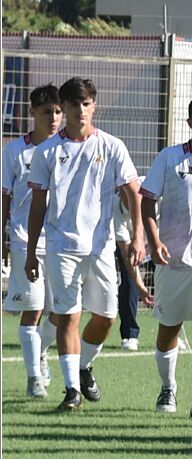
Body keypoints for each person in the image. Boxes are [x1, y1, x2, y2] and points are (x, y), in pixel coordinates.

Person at [23, 77, 143, 411]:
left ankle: (84, 366)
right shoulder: (47, 151)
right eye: (74, 104)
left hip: (101, 247)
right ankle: (72, 390)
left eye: (86, 103)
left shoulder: (112, 146)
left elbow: (133, 192)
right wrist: (31, 252)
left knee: (106, 317)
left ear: (94, 106)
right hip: (61, 247)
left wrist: (138, 236)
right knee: (68, 317)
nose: (80, 110)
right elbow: (37, 205)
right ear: (64, 107)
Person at [140, 94, 192, 417]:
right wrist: (154, 240)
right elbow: (148, 201)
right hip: (174, 259)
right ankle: (168, 387)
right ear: (190, 122)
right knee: (168, 330)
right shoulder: (170, 157)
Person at [4, 84, 63, 397]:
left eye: (58, 111)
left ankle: (41, 352)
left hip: (61, 243)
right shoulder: (14, 151)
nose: (53, 118)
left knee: (60, 312)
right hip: (24, 240)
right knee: (33, 309)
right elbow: (5, 196)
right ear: (33, 113)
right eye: (46, 112)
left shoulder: (66, 149)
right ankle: (33, 379)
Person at [112, 194, 149, 351]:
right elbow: (127, 254)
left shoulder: (153, 198)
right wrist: (141, 286)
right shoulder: (115, 207)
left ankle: (174, 333)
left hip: (155, 240)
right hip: (130, 245)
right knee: (129, 282)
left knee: (168, 277)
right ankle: (130, 335)